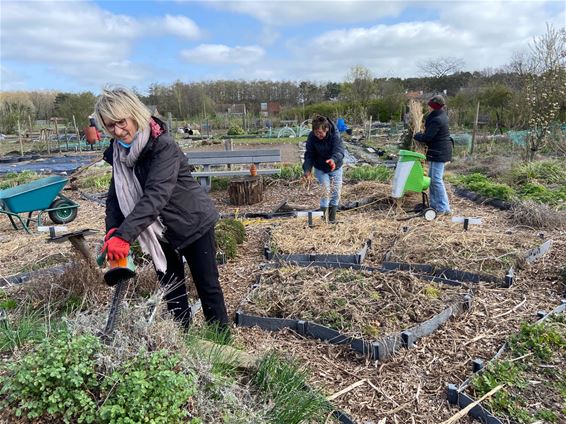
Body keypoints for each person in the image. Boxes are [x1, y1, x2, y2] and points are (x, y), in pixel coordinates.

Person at [94, 87, 229, 329]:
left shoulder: (162, 146)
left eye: (121, 122)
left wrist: (125, 236)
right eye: (109, 126)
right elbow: (114, 197)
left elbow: (156, 195)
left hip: (191, 222)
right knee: (172, 291)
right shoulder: (117, 154)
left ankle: (221, 342)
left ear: (134, 113)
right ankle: (184, 341)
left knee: (207, 288)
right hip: (158, 233)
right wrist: (113, 230)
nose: (117, 131)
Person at [413, 94, 453, 215]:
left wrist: (417, 135)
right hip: (438, 151)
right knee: (432, 179)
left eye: (430, 106)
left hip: (439, 153)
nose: (428, 108)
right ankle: (435, 204)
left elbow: (428, 137)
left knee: (436, 180)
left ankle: (444, 208)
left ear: (434, 107)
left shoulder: (437, 119)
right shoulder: (440, 116)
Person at [302, 115, 345, 223]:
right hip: (320, 167)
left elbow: (339, 151)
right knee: (325, 192)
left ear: (326, 129)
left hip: (335, 166)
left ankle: (332, 219)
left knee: (336, 193)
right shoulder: (312, 137)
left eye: (320, 132)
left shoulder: (335, 134)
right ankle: (323, 220)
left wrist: (333, 160)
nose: (318, 135)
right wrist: (307, 170)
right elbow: (309, 155)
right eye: (316, 133)